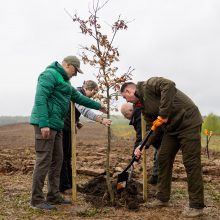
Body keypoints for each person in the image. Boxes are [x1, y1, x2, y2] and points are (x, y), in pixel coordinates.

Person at [30, 55, 106, 210]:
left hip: (57, 126)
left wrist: (98, 106)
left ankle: (53, 195)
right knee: (44, 160)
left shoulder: (66, 82)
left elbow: (79, 98)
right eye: (75, 70)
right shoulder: (49, 75)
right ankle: (36, 200)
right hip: (46, 124)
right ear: (67, 65)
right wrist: (44, 123)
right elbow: (40, 98)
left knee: (58, 160)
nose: (76, 74)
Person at [120, 77, 204, 218]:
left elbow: (169, 85)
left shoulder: (149, 85)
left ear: (129, 90)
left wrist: (163, 113)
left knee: (191, 163)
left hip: (188, 122)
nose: (126, 101)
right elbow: (151, 128)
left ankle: (196, 205)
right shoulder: (142, 107)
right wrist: (142, 145)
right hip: (171, 129)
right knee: (163, 158)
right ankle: (162, 198)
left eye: (125, 97)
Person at [60, 80, 112, 194]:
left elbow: (72, 109)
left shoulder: (78, 93)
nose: (93, 97)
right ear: (90, 89)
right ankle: (64, 186)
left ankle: (70, 184)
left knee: (68, 157)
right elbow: (84, 110)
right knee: (64, 157)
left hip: (67, 126)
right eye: (93, 94)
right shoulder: (77, 94)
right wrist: (101, 119)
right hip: (63, 128)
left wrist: (76, 121)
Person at [120, 102, 161, 185]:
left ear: (130, 111)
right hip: (157, 135)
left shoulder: (138, 116)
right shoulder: (138, 110)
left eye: (125, 115)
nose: (125, 117)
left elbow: (140, 138)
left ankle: (157, 178)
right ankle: (155, 176)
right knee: (158, 153)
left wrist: (135, 158)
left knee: (160, 155)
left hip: (161, 134)